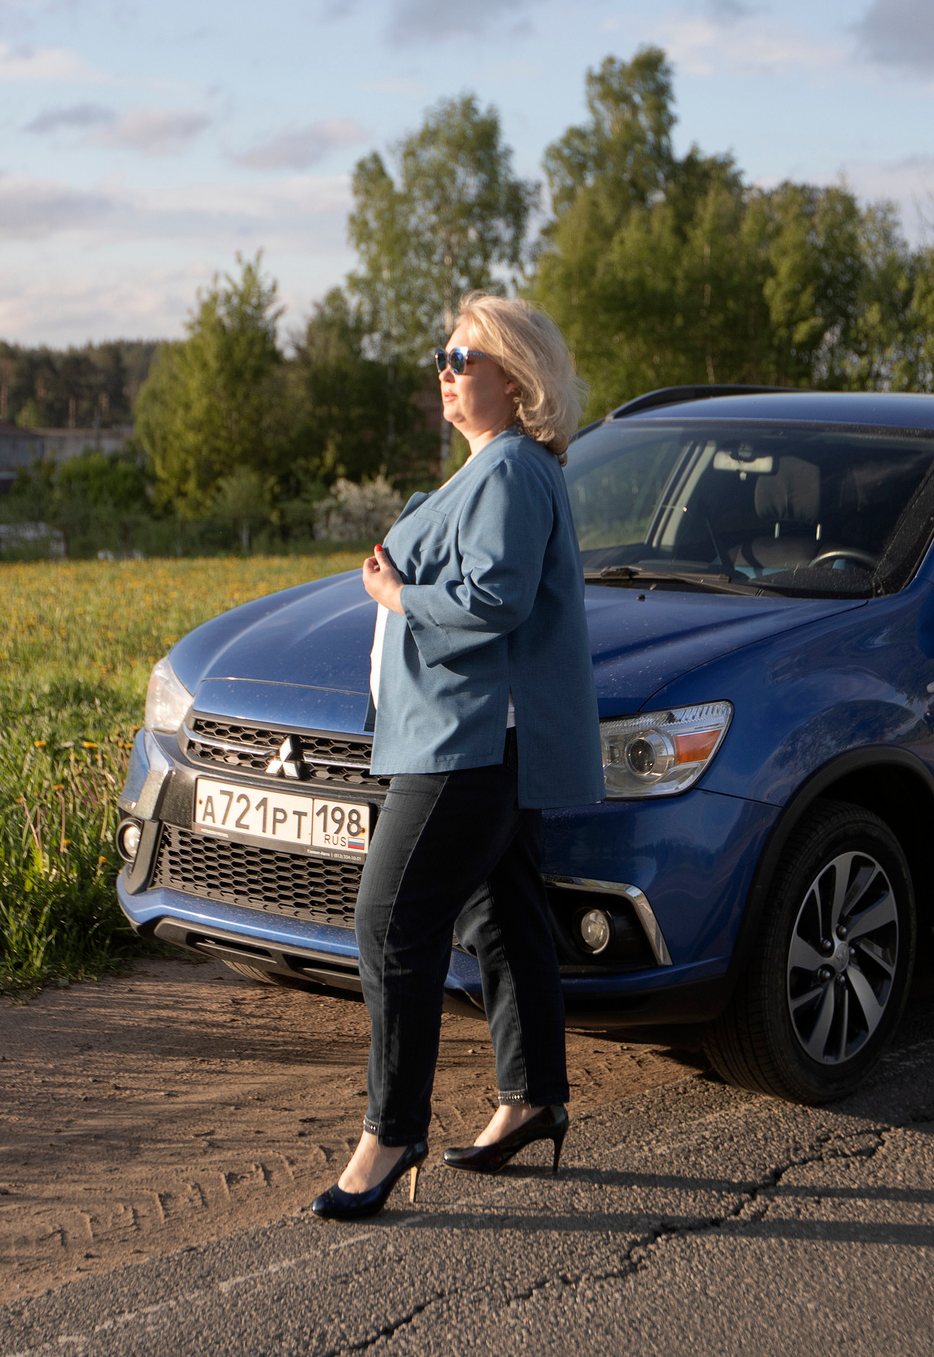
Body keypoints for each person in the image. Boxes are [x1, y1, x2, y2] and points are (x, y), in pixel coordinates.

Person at [309, 292, 606, 1221]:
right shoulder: (493, 468)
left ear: (515, 378)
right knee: (505, 914)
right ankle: (533, 1095)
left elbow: (494, 599)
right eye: (442, 357)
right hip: (472, 732)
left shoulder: (511, 467)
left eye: (462, 358)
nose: (445, 371)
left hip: (470, 737)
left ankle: (391, 1131)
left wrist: (397, 597)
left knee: (391, 921)